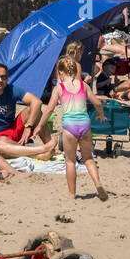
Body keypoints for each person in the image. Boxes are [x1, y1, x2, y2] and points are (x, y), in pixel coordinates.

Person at [40, 56, 109, 200]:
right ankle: (98, 183)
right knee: (88, 158)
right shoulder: (84, 85)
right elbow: (97, 103)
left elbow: (49, 110)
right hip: (85, 125)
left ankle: (72, 193)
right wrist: (101, 115)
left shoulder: (59, 88)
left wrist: (39, 125)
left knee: (70, 161)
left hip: (70, 127)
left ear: (60, 72)